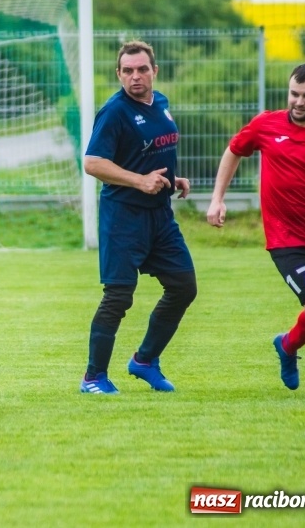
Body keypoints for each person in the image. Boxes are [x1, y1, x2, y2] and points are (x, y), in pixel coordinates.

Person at [207, 63, 305, 400]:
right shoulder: (265, 124)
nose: (299, 102)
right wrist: (217, 199)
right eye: (294, 94)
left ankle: (287, 345)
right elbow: (233, 150)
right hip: (285, 239)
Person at [79, 40, 196, 395]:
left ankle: (145, 360)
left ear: (154, 71)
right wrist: (139, 181)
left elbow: (149, 152)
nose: (135, 76)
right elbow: (92, 163)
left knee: (183, 287)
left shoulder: (160, 103)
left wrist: (171, 178)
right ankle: (93, 378)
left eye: (142, 69)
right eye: (127, 71)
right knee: (118, 296)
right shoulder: (114, 112)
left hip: (160, 217)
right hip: (123, 218)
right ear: (118, 74)